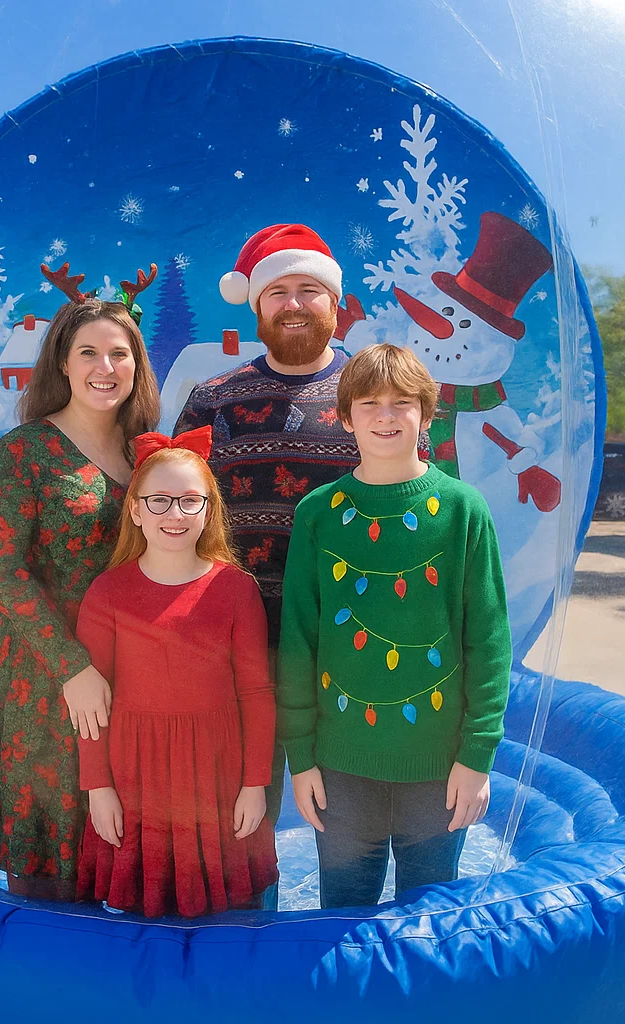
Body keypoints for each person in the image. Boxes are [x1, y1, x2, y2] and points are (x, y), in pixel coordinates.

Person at [276, 343, 512, 909]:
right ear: (346, 416)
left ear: (426, 414)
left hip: (439, 770)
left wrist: (476, 758)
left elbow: (488, 641)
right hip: (340, 768)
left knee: (428, 922)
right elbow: (299, 640)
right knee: (341, 918)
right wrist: (301, 759)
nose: (386, 416)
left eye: (402, 402)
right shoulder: (318, 513)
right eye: (369, 403)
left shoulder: (462, 509)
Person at [173, 225, 363, 909]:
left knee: (348, 820)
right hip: (238, 650)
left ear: (335, 303)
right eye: (277, 291)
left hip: (348, 649)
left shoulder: (373, 396)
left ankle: (342, 948)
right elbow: (178, 520)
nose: (294, 303)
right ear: (255, 306)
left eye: (309, 289)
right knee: (240, 815)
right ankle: (247, 944)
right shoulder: (213, 399)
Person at [0, 296, 160, 900]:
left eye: (119, 354)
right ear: (63, 364)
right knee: (51, 859)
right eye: (89, 353)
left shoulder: (147, 453)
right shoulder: (24, 450)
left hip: (127, 664)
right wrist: (72, 667)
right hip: (42, 669)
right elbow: (0, 569)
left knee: (124, 840)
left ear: (137, 366)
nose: (106, 367)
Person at [74, 428, 278, 918]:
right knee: (144, 914)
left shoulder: (236, 589)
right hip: (136, 776)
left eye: (190, 501)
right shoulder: (107, 593)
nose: (175, 514)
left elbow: (256, 692)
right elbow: (91, 711)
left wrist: (255, 785)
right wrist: (98, 787)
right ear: (136, 511)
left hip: (216, 776)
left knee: (226, 916)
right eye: (159, 501)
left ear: (209, 509)